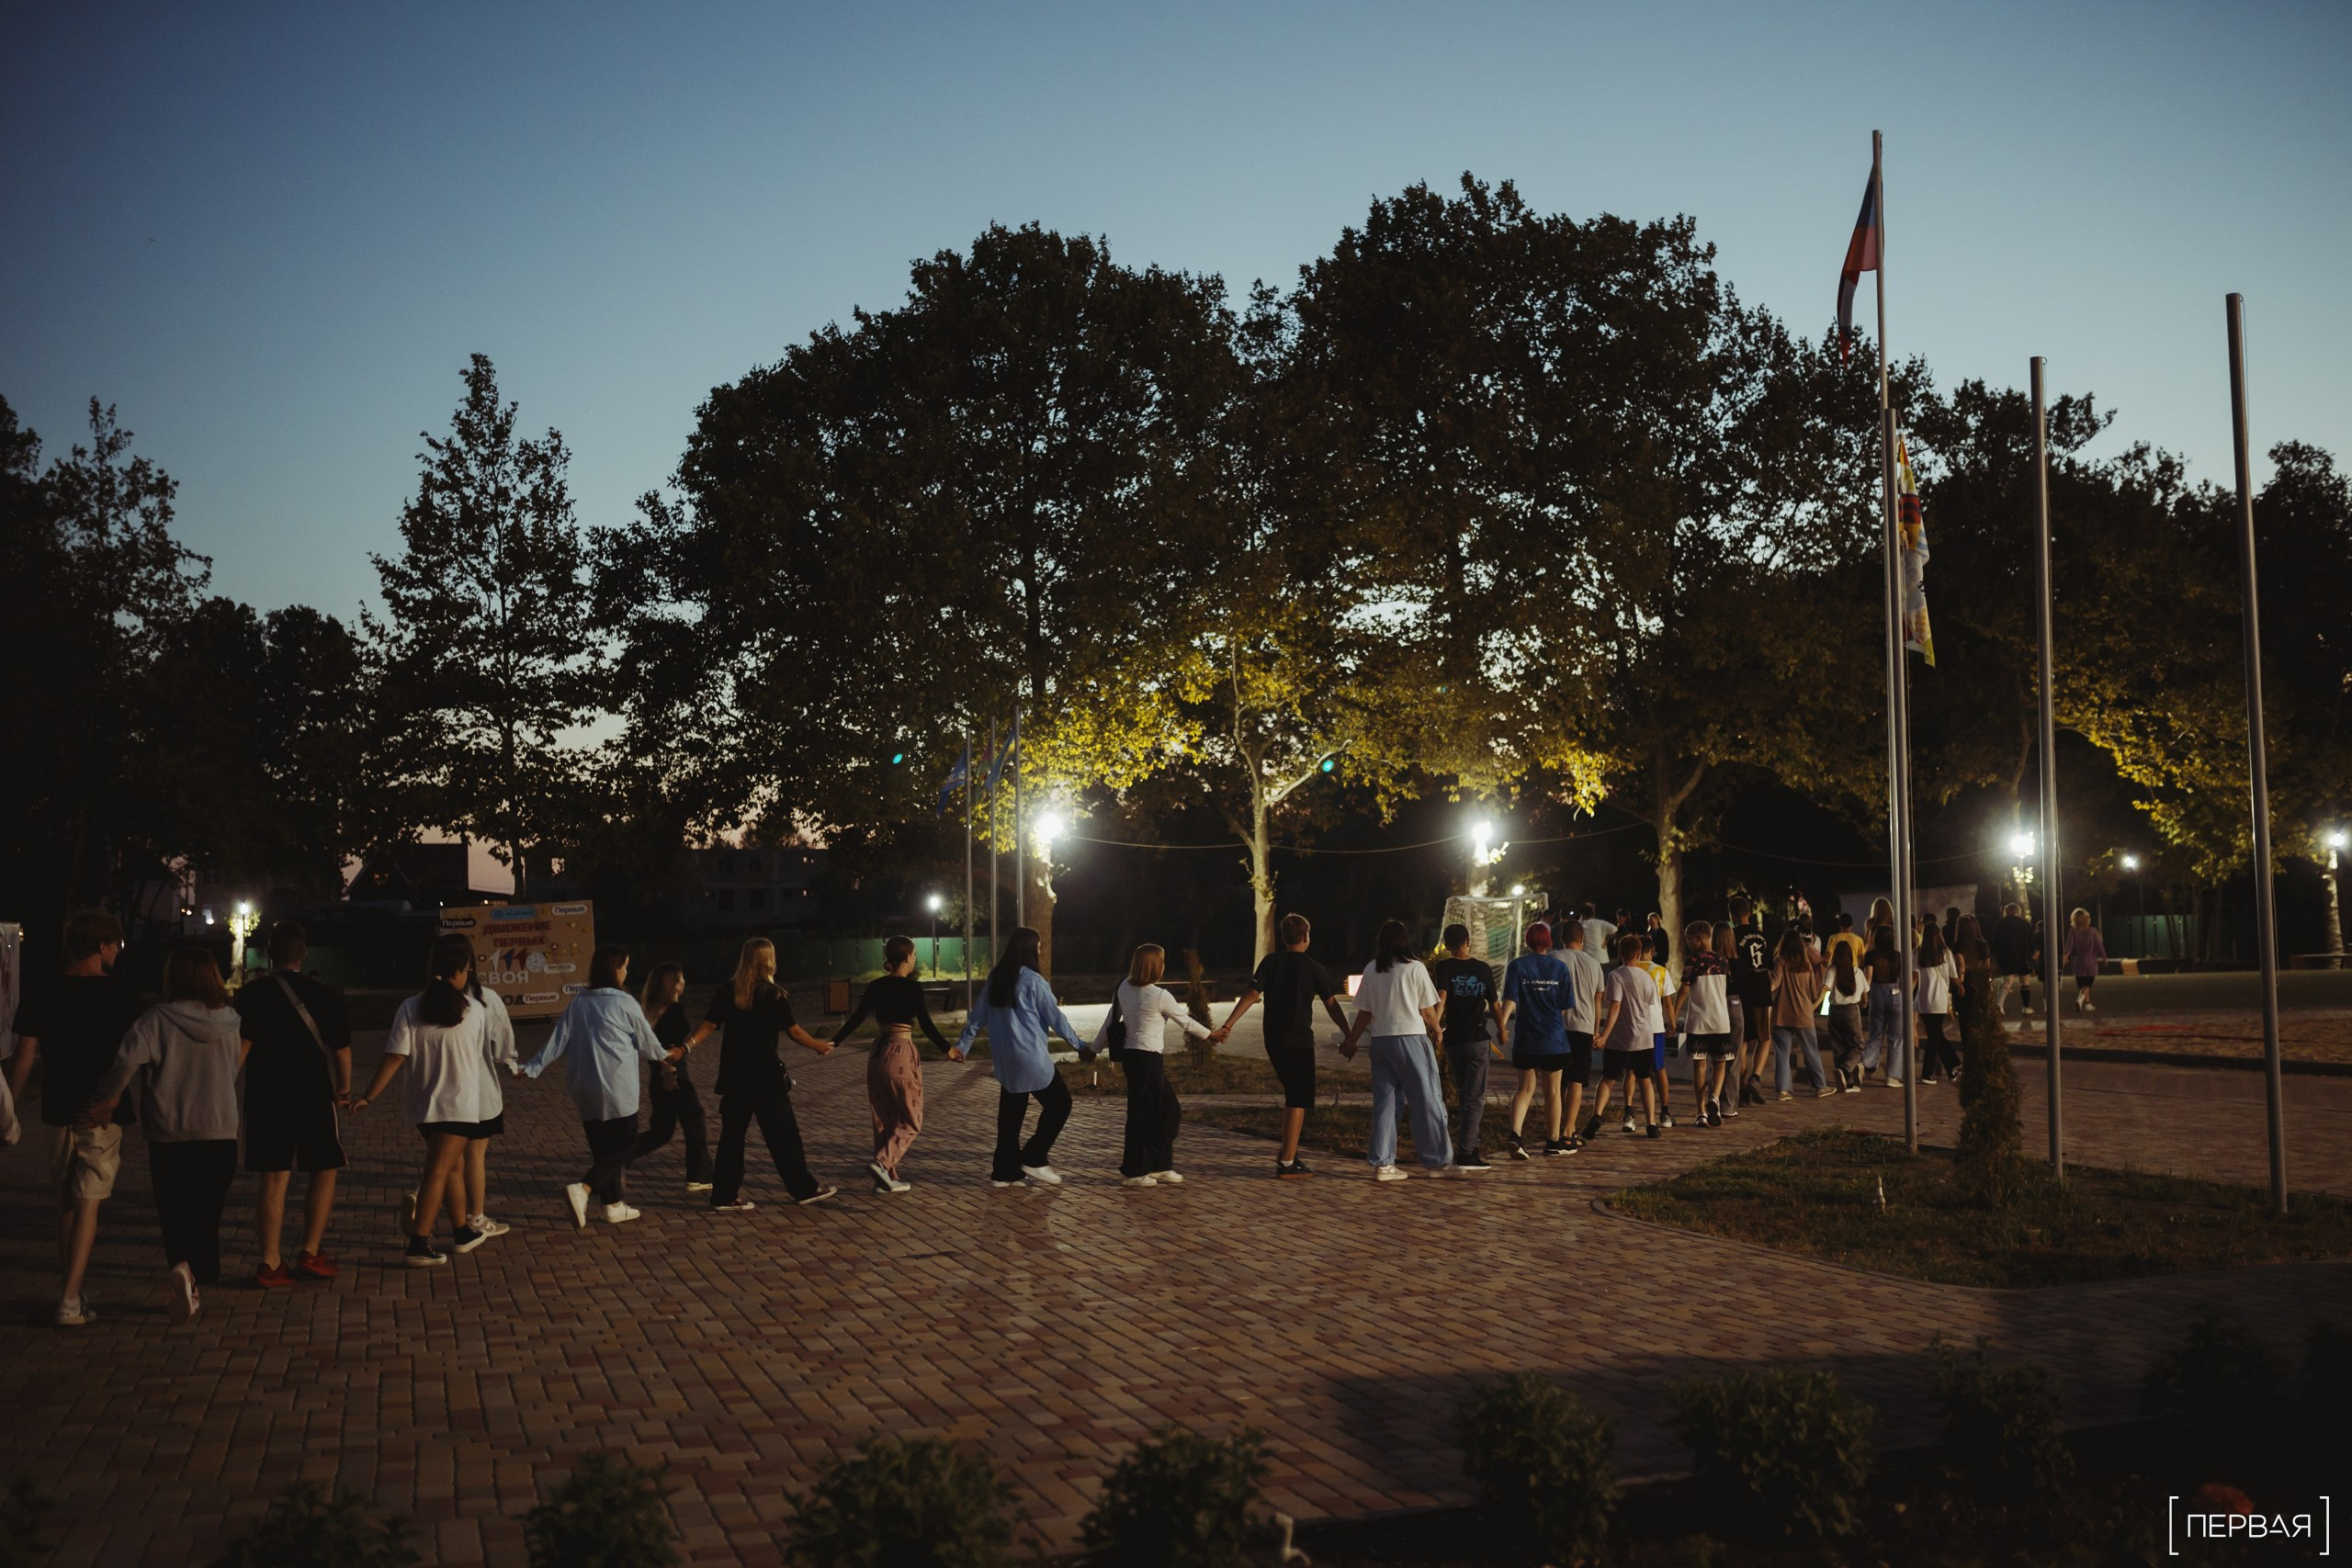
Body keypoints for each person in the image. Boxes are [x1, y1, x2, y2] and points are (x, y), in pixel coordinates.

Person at [84, 945, 251, 1322]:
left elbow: (125, 1060)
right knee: (206, 1212)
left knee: (175, 1211)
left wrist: (106, 1099)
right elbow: (232, 1067)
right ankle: (196, 1273)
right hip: (220, 1132)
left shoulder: (155, 1020)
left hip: (171, 1134)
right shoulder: (231, 1020)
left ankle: (182, 1266)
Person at [6, 909, 141, 1327]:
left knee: (65, 1202)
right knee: (89, 1204)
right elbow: (131, 1058)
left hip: (57, 1110)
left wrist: (8, 1108)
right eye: (115, 944)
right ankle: (69, 1298)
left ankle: (72, 1289)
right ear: (101, 946)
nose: (118, 951)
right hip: (101, 1111)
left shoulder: (43, 989)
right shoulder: (120, 994)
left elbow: (25, 1057)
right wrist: (115, 1100)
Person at [353, 935, 501, 1265]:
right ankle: (418, 1243)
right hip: (460, 1105)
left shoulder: (410, 1007)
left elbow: (394, 1057)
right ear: (461, 972)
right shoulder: (474, 1010)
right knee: (438, 1170)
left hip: (423, 1106)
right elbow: (478, 1057)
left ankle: (462, 1231)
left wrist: (368, 1096)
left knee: (452, 1167)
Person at [232, 920, 351, 1286]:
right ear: (303, 954)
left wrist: (224, 1088)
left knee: (273, 1178)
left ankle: (270, 1261)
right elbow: (341, 1051)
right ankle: (311, 1251)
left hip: (267, 1096)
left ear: (269, 954)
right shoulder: (325, 994)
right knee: (324, 1168)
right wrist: (344, 1090)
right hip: (314, 1093)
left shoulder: (250, 995)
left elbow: (242, 1049)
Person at [519, 945, 672, 1227]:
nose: (627, 971)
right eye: (625, 965)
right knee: (625, 1144)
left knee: (603, 1147)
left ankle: (613, 1204)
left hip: (583, 1084)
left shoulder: (579, 1002)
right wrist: (665, 1057)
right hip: (616, 1085)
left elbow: (558, 1040)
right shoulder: (623, 1002)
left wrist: (532, 1067)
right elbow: (647, 1043)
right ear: (616, 969)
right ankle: (585, 1189)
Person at [681, 937, 837, 1211]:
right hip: (766, 1078)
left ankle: (724, 1196)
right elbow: (794, 1031)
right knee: (784, 1137)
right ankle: (804, 1188)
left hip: (735, 1077)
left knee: (732, 1138)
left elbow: (708, 1024)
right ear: (768, 960)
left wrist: (687, 1046)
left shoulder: (728, 991)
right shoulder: (773, 994)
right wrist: (819, 1046)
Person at [1212, 914, 1351, 1179]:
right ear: (1306, 937)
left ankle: (1289, 1151)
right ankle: (1287, 1163)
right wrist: (1349, 1036)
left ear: (1285, 938)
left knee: (1292, 1093)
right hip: (1298, 1040)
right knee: (1298, 1097)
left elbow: (1252, 995)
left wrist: (1228, 1024)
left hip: (1273, 1039)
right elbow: (1332, 1005)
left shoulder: (1270, 962)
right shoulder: (1314, 968)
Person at [956, 927, 1092, 1188]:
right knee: (1060, 1104)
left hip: (1005, 1060)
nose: (1040, 951)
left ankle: (1004, 1171)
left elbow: (976, 1017)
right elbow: (1056, 1019)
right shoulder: (1034, 982)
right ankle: (1035, 1156)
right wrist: (1080, 1046)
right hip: (1031, 1058)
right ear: (1031, 949)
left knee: (1011, 1115)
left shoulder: (996, 978)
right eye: (1039, 947)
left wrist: (963, 1047)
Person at [832, 937, 953, 1193]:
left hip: (877, 1054)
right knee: (911, 1119)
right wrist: (948, 1049)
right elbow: (927, 1026)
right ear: (907, 957)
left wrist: (835, 1041)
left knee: (884, 1117)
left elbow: (857, 1018)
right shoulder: (912, 988)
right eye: (914, 954)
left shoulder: (876, 986)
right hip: (900, 1052)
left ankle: (886, 1177)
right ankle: (882, 1163)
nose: (915, 958)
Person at [1089, 942, 1211, 1187]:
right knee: (1143, 1115)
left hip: (1137, 1058)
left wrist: (1094, 1048)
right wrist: (1211, 1035)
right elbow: (1185, 1022)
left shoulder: (1124, 986)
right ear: (1155, 966)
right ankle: (1134, 1171)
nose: (1165, 965)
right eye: (1162, 961)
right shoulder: (1159, 995)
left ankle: (1159, 1165)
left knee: (1168, 1111)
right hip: (1146, 1059)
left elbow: (1110, 1020)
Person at [1340, 919, 1454, 1180]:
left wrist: (1351, 1041)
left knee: (1385, 1103)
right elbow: (1427, 1011)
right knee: (1427, 1099)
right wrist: (1437, 1030)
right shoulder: (1415, 968)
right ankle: (1438, 1160)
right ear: (1406, 941)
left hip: (1381, 1042)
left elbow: (1365, 1013)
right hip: (1410, 1039)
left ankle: (1383, 1164)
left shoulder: (1371, 969)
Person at [628, 962, 710, 1192]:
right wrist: (669, 1073)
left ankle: (618, 1157)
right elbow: (668, 1047)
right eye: (680, 979)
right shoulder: (673, 1011)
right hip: (672, 1072)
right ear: (672, 984)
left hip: (658, 1073)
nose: (684, 983)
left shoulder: (649, 1010)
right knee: (695, 1121)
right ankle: (699, 1176)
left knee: (662, 1131)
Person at [1427, 924, 1504, 1171]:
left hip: (1455, 1040)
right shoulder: (1482, 968)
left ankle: (1469, 1143)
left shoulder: (1444, 966)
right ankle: (1467, 1152)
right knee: (1475, 1097)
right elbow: (1494, 1003)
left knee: (1465, 1094)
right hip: (1477, 1039)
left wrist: (1437, 1027)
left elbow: (1442, 997)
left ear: (1447, 945)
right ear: (1468, 941)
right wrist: (1502, 1029)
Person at [1496, 922, 1572, 1158]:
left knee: (1525, 1089)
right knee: (1553, 1092)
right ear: (1548, 941)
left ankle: (1515, 1136)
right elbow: (1563, 1008)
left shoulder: (1518, 966)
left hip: (1527, 1038)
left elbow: (1510, 1000)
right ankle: (1553, 1142)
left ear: (1528, 941)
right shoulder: (1560, 969)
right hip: (1554, 1039)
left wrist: (1502, 1026)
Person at [1584, 933, 1665, 1139]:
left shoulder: (1616, 976)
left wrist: (1603, 1035)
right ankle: (1651, 1123)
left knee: (1608, 1079)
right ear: (1639, 954)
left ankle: (1597, 1115)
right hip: (1644, 1037)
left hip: (1620, 1039)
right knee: (1645, 1080)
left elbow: (1615, 1006)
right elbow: (1651, 1005)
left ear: (1620, 953)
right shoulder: (1648, 978)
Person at [458, 964, 517, 1241]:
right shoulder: (485, 1000)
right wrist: (511, 1061)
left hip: (437, 1096)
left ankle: (427, 1203)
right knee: (474, 1155)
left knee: (445, 1161)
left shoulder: (421, 1002)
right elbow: (503, 1047)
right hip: (479, 1092)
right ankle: (475, 1217)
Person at [1679, 920, 1735, 1125]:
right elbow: (1728, 990)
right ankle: (1715, 1099)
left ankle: (1701, 1111)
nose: (1688, 943)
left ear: (1700, 939)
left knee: (1699, 1065)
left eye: (1689, 939)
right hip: (1720, 1020)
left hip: (1699, 1021)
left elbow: (1684, 988)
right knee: (1720, 1062)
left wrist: (1674, 1014)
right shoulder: (1723, 961)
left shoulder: (1692, 960)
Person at [1556, 917, 1606, 1140]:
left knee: (1558, 1081)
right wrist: (1596, 1030)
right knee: (1576, 1080)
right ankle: (1569, 1129)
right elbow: (1598, 1000)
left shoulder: (1554, 959)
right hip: (1584, 1027)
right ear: (1582, 939)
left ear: (1561, 939)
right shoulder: (1595, 964)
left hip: (1558, 1026)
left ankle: (1555, 1127)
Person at [1769, 930, 1832, 1100]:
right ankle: (1820, 1086)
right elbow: (1813, 993)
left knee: (1782, 1052)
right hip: (1804, 1014)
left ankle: (1783, 1090)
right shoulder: (1806, 966)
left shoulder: (1780, 962)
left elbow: (1774, 983)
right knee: (1811, 1050)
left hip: (1782, 1014)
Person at [1634, 932, 1682, 1130]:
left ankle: (1629, 1113)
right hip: (1655, 1026)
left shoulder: (1630, 969)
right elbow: (1668, 1003)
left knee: (1632, 1071)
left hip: (1635, 1026)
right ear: (1652, 951)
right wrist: (1672, 1023)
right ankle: (1665, 1111)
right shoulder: (1660, 971)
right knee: (1659, 1068)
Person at [1727, 897, 1773, 1108]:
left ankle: (1743, 1089)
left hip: (1743, 992)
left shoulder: (1732, 935)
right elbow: (1769, 965)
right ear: (1749, 913)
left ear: (1733, 914)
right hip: (1762, 988)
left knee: (1743, 1042)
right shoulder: (1762, 936)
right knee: (1765, 1038)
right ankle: (1755, 1078)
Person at [1915, 921, 1962, 1084]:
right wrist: (1960, 986)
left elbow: (1913, 975)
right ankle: (1928, 1074)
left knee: (1935, 1035)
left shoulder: (1918, 952)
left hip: (1923, 999)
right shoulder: (1945, 953)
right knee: (1935, 1036)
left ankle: (1953, 1067)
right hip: (1939, 999)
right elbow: (1953, 976)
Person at [1863, 924, 1906, 1087]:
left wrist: (1865, 995)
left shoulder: (1870, 955)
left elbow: (1868, 976)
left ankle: (1865, 1063)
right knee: (1896, 1038)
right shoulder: (1897, 956)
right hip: (1894, 991)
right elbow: (1903, 978)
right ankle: (1893, 1076)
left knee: (1876, 1034)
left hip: (1876, 992)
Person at [1823, 938, 1868, 1092]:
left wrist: (1815, 1003)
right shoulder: (1857, 972)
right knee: (1858, 1045)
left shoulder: (1832, 970)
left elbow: (1825, 988)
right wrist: (1864, 1002)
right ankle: (1845, 1069)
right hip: (1851, 1011)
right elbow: (1865, 992)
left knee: (1838, 1046)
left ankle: (1846, 1082)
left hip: (1834, 1011)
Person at [1709, 921, 1744, 1119]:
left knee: (1715, 1057)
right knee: (1734, 1057)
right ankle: (1728, 1105)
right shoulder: (1737, 962)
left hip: (1715, 1005)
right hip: (1735, 1005)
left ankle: (1712, 1097)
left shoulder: (1712, 962)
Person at [1991, 901, 2036, 1022]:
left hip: (2006, 957)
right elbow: (2031, 941)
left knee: (2007, 981)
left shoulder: (2001, 924)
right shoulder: (2024, 924)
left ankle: (2000, 1005)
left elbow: (1995, 941)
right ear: (2018, 912)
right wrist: (2032, 955)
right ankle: (2026, 1007)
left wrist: (1994, 957)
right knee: (2025, 982)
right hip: (2023, 956)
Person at [2064, 909, 2107, 1013]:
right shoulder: (2093, 931)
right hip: (2091, 962)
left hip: (2077, 962)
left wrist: (2066, 956)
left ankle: (2088, 1004)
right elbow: (2099, 945)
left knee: (2083, 984)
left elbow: (2069, 947)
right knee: (2088, 984)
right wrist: (2104, 957)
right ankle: (2079, 1000)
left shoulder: (2072, 932)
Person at [1580, 903, 1617, 968]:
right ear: (1593, 913)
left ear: (1583, 915)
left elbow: (1577, 923)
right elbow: (1616, 930)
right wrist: (1606, 940)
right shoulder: (1600, 923)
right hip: (1602, 959)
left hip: (1589, 962)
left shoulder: (1581, 925)